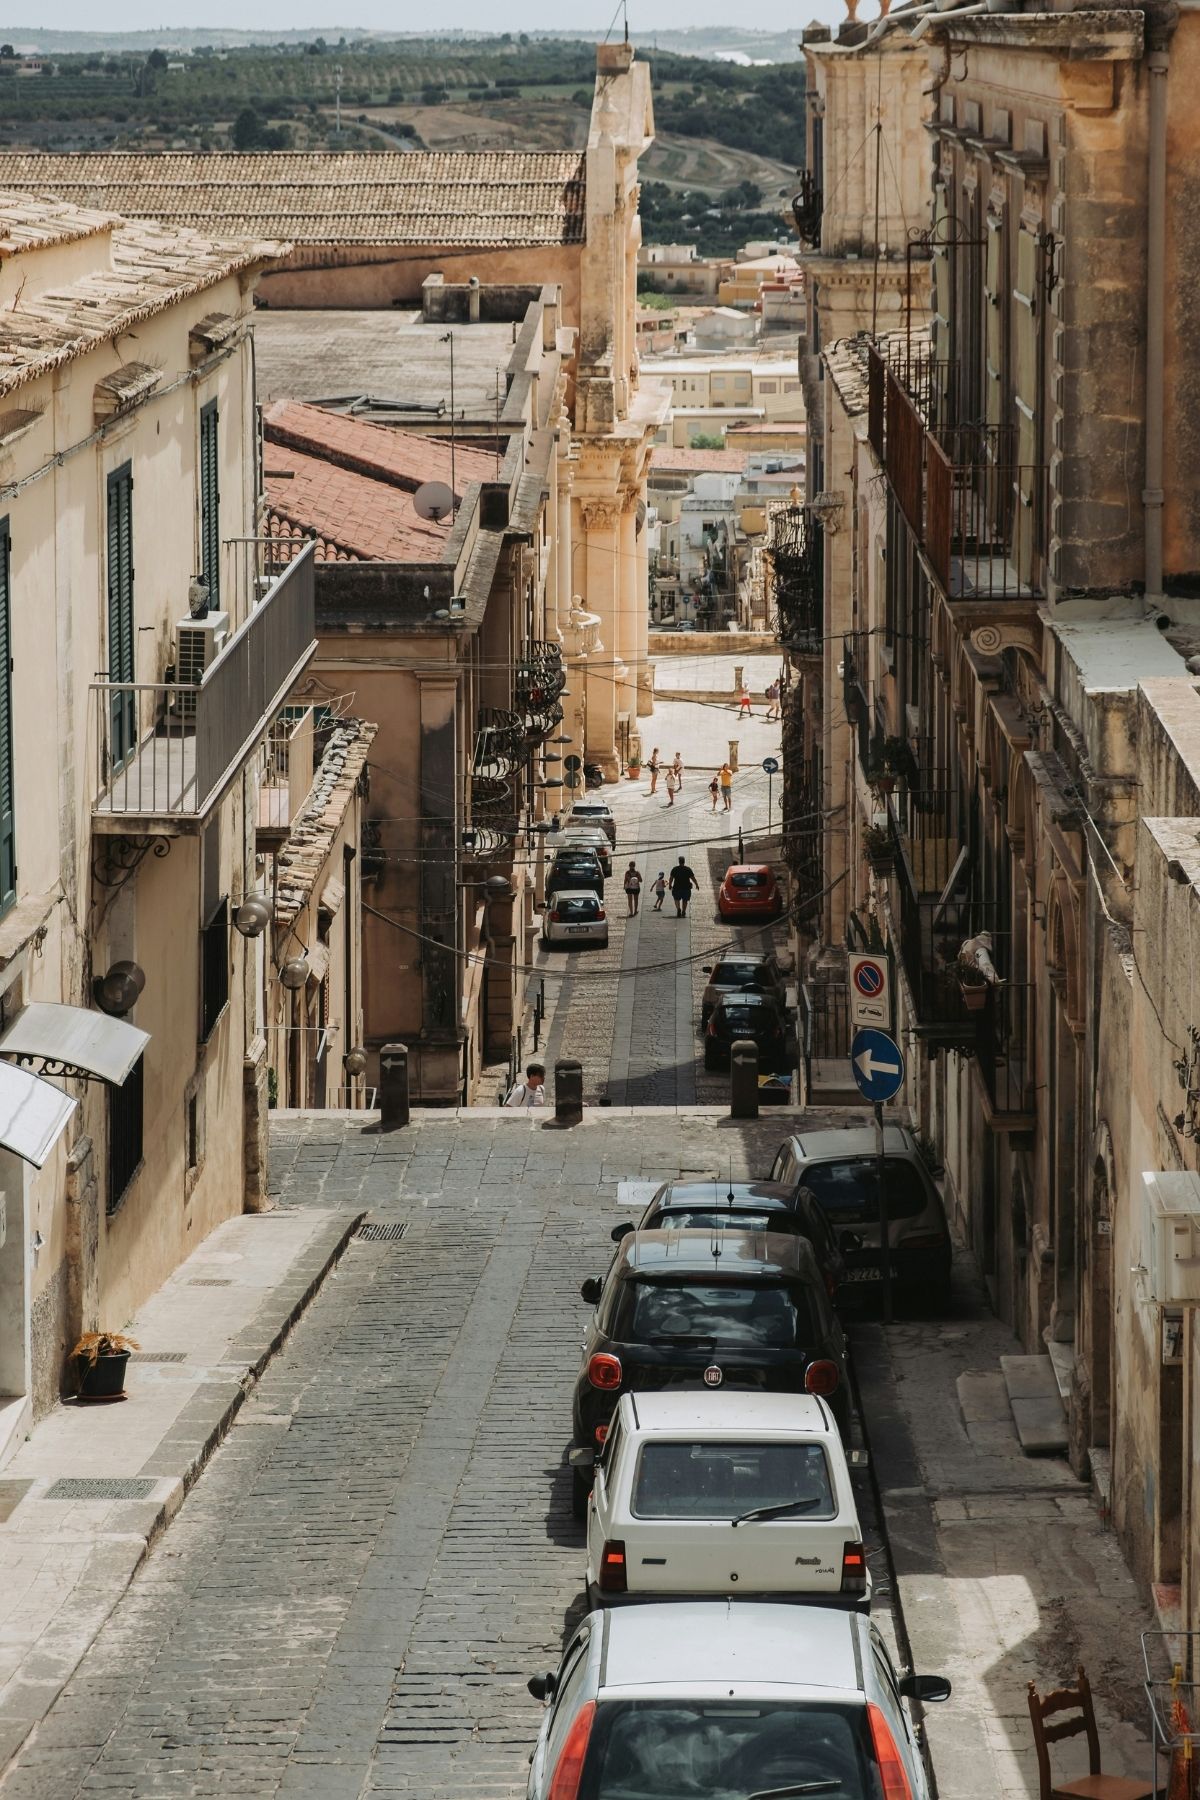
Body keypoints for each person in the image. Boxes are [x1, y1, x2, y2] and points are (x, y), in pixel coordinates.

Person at [668, 854, 699, 918]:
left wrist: (670, 885)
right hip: (686, 888)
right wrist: (696, 884)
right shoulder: (688, 869)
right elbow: (693, 878)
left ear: (679, 861)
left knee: (676, 899)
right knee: (685, 900)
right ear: (684, 861)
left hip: (677, 887)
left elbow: (671, 878)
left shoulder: (675, 869)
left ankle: (678, 909)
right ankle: (684, 911)